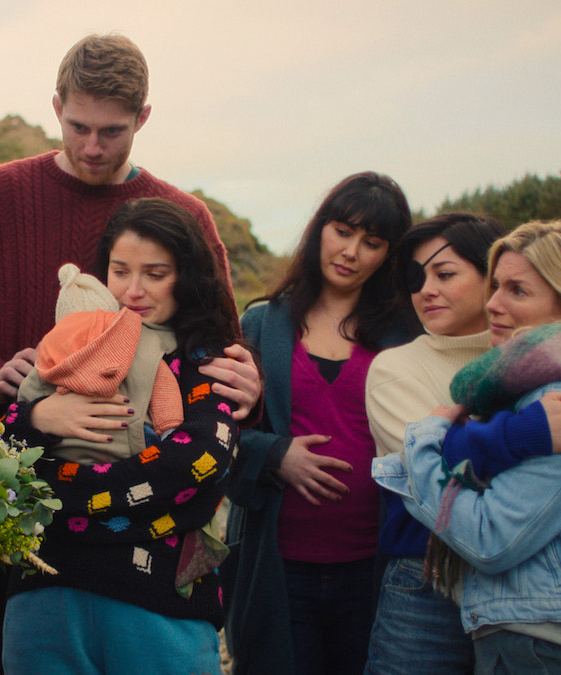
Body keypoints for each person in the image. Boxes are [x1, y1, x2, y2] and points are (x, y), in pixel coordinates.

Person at [363, 213, 561, 675]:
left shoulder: (544, 381)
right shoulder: (490, 376)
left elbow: (450, 482)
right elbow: (437, 458)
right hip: (431, 573)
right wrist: (532, 431)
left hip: (534, 614)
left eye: (446, 273)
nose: (426, 289)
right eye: (416, 276)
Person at [0, 33, 260, 417]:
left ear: (141, 118)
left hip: (145, 453)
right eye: (78, 127)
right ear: (56, 108)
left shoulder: (187, 217)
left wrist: (247, 386)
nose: (93, 148)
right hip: (6, 450)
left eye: (112, 131)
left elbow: (221, 343)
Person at [0, 198, 242, 674]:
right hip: (43, 600)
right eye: (119, 271)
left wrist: (54, 499)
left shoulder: (203, 361)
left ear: (187, 278)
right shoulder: (64, 350)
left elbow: (201, 462)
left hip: (159, 609)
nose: (133, 291)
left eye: (155, 273)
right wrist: (42, 419)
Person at [223, 171, 416, 675]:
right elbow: (217, 433)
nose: (351, 251)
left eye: (371, 242)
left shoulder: (404, 335)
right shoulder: (263, 324)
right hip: (279, 562)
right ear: (319, 230)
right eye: (343, 231)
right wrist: (275, 453)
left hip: (376, 563)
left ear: (388, 255)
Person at [16, 262, 183, 465]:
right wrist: (170, 428)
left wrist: (33, 414)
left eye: (155, 274)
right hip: (133, 442)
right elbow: (164, 391)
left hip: (64, 451)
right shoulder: (142, 343)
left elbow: (25, 398)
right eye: (120, 272)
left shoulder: (49, 352)